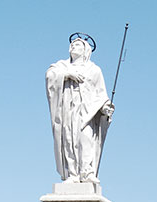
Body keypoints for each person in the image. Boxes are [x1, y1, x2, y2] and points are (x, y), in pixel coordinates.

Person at [46, 37, 114, 184]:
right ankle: (73, 174)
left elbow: (101, 94)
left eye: (77, 45)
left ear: (85, 51)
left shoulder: (94, 70)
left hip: (86, 111)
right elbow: (50, 75)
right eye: (72, 44)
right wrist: (67, 75)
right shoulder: (61, 66)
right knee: (68, 139)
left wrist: (106, 108)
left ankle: (86, 172)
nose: (73, 47)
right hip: (67, 109)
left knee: (85, 139)